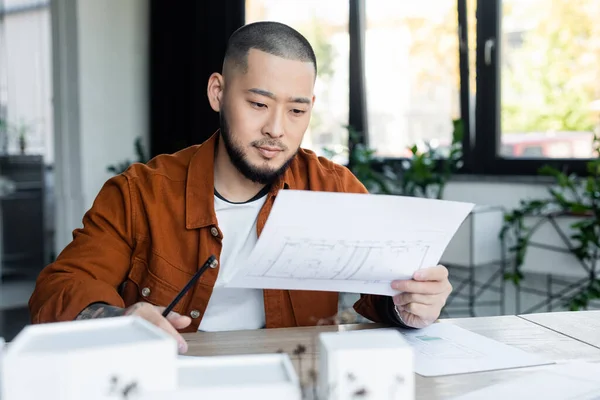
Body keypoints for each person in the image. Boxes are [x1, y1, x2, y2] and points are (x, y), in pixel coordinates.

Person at [28, 21, 452, 354]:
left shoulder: (332, 189)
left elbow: (387, 289)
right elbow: (59, 288)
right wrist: (115, 319)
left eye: (296, 110)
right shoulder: (140, 193)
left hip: (295, 378)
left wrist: (409, 306)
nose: (276, 129)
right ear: (218, 92)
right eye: (258, 104)